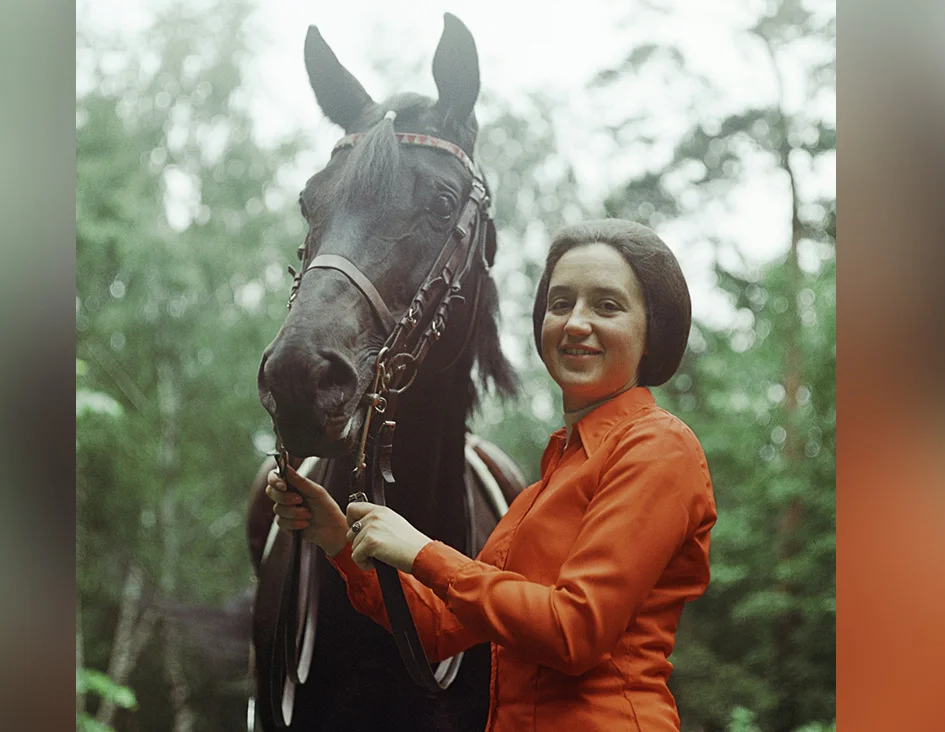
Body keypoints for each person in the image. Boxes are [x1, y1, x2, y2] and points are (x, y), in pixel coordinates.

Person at [267, 218, 717, 731]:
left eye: (607, 306)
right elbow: (439, 628)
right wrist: (338, 540)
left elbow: (575, 631)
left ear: (651, 329)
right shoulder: (537, 492)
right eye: (561, 303)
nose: (575, 323)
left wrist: (421, 550)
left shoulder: (657, 446)